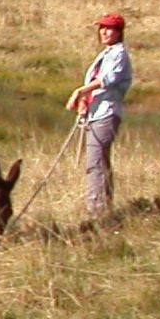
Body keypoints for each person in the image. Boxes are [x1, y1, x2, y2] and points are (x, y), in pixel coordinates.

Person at [66, 12, 133, 218]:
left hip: (107, 112)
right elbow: (95, 83)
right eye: (102, 28)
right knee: (99, 161)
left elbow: (108, 79)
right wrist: (84, 103)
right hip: (95, 113)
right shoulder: (106, 54)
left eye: (109, 28)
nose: (104, 32)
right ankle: (104, 208)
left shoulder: (119, 53)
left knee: (95, 163)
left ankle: (96, 211)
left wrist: (80, 91)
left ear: (119, 32)